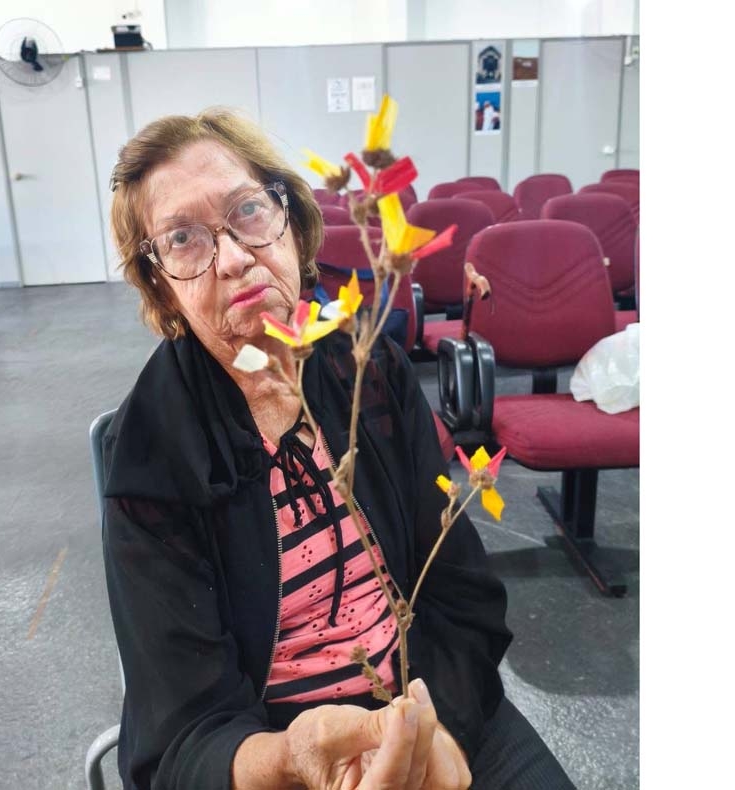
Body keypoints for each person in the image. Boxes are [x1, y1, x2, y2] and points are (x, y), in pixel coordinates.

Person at [103, 107, 574, 789]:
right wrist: (291, 761)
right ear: (162, 289)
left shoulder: (368, 371)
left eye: (247, 211)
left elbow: (459, 593)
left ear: (292, 224)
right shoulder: (151, 453)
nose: (233, 258)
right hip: (279, 753)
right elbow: (181, 734)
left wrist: (437, 734)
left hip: (433, 705)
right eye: (183, 239)